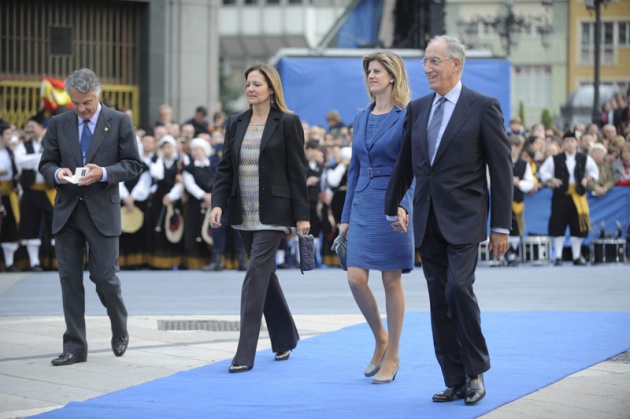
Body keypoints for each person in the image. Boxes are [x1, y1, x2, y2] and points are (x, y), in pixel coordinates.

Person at [385, 35, 513, 405]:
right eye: (425, 61)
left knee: (459, 288)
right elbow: (406, 162)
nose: (427, 68)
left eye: (435, 61)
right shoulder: (419, 108)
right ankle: (455, 378)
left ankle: (476, 372)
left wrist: (500, 226)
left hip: (466, 218)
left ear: (456, 64)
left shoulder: (483, 107)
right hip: (427, 220)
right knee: (439, 299)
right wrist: (393, 203)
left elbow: (501, 170)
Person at [209, 63, 310, 373]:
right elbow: (225, 169)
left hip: (274, 213)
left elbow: (297, 171)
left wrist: (302, 216)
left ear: (271, 89)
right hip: (243, 211)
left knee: (255, 276)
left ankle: (244, 353)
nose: (250, 89)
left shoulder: (288, 123)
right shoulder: (235, 123)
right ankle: (285, 339)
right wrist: (218, 204)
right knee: (266, 277)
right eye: (248, 84)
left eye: (257, 84)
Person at [38, 68, 142, 366]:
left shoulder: (120, 121)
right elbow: (46, 164)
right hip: (67, 210)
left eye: (87, 103)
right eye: (76, 103)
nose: (82, 109)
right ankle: (75, 346)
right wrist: (58, 173)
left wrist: (105, 173)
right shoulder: (59, 123)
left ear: (99, 95)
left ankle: (119, 326)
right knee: (69, 279)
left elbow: (133, 164)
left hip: (102, 209)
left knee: (104, 278)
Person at [337, 51, 414, 385]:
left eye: (378, 71)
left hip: (392, 201)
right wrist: (345, 217)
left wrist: (404, 205)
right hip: (363, 202)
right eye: (369, 71)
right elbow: (354, 168)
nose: (372, 76)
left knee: (390, 280)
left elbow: (411, 168)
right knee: (355, 278)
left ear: (392, 76)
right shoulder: (360, 116)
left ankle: (393, 354)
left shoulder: (406, 116)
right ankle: (380, 337)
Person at [539, 131, 598, 266]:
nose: (569, 144)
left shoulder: (584, 158)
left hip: (578, 196)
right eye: (566, 142)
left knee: (578, 227)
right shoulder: (555, 159)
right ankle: (558, 257)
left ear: (576, 143)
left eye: (572, 141)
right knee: (558, 225)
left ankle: (576, 256)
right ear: (563, 144)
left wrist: (586, 179)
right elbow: (543, 172)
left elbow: (594, 172)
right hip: (560, 196)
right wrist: (552, 179)